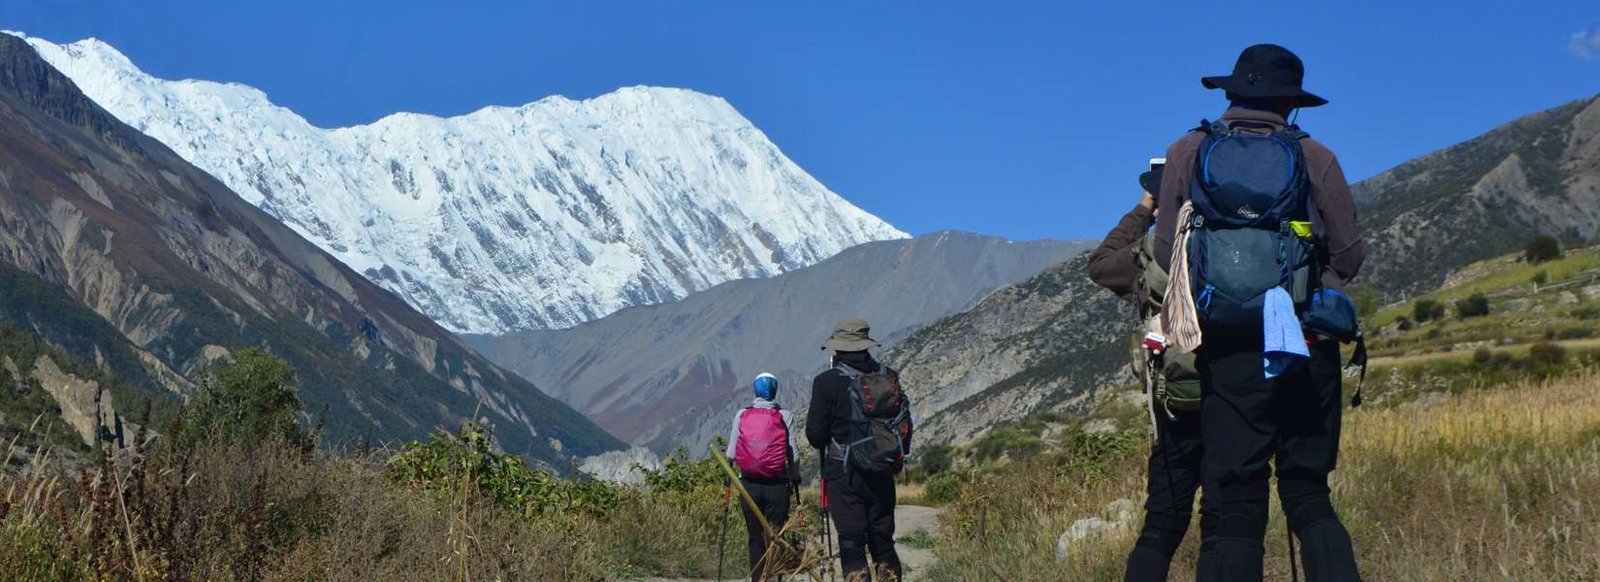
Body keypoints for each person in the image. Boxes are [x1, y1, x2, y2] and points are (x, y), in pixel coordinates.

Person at [1152, 44, 1367, 581]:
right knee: (1309, 493)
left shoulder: (1187, 150)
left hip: (1228, 350)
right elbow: (1348, 255)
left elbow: (1163, 253)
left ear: (1231, 92)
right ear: (1289, 103)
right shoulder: (1315, 157)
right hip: (1307, 344)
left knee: (1236, 501)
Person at [1087, 166, 1205, 582]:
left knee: (1161, 524)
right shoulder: (1238, 243)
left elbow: (1100, 264)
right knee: (1230, 524)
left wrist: (1144, 207)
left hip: (1175, 403)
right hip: (1237, 397)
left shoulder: (1154, 251)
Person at [806, 319, 913, 581]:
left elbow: (815, 435)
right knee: (882, 540)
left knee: (852, 541)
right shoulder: (888, 377)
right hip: (882, 468)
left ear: (837, 349)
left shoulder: (826, 382)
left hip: (844, 474)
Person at [725, 372, 802, 581]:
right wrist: (795, 478)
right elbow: (793, 455)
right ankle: (774, 577)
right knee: (775, 537)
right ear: (774, 391)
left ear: (755, 390)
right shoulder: (785, 416)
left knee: (755, 538)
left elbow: (731, 454)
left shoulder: (742, 414)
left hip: (749, 485)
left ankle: (757, 578)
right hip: (777, 485)